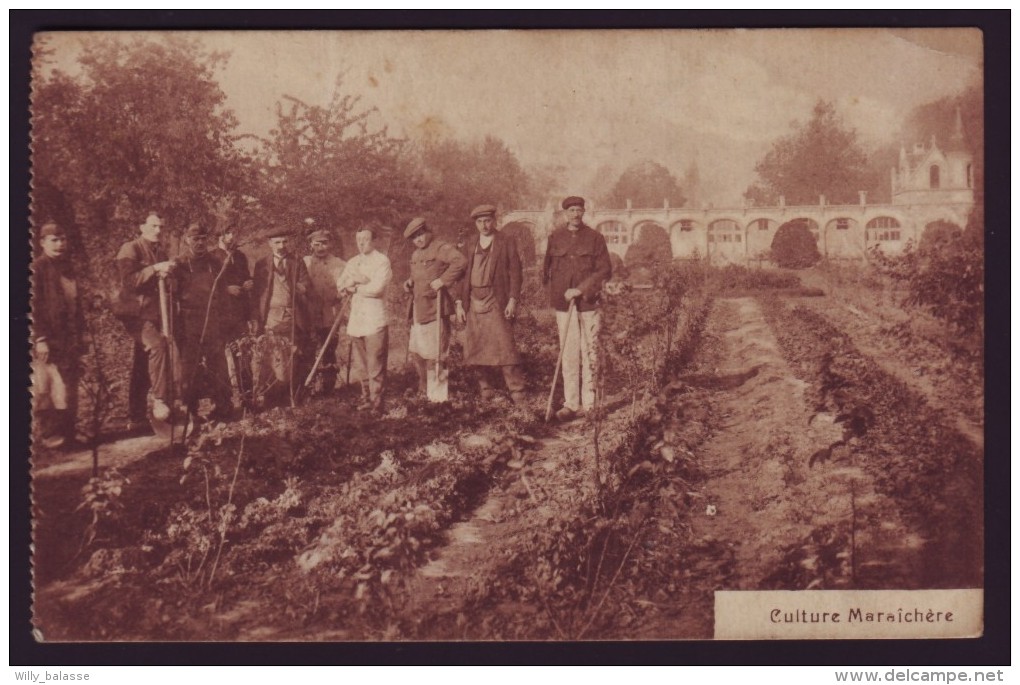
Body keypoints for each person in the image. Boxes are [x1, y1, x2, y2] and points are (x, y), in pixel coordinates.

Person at [542, 196, 613, 421]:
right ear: (565, 214)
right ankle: (571, 404)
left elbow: (604, 271)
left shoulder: (595, 238)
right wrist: (556, 295)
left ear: (583, 212)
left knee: (590, 351)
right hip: (565, 306)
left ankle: (590, 405)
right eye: (570, 210)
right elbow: (546, 270)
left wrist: (581, 290)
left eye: (578, 210)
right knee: (568, 353)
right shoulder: (555, 238)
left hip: (589, 303)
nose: (575, 214)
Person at [455, 204, 526, 404]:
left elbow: (516, 273)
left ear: (493, 221)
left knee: (505, 347)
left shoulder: (506, 241)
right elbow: (461, 276)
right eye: (479, 222)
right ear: (475, 223)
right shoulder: (470, 243)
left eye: (487, 221)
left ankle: (517, 393)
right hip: (474, 302)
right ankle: (486, 390)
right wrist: (459, 302)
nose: (484, 225)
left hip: (497, 300)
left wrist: (512, 299)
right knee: (475, 348)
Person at [114, 211, 175, 428]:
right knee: (158, 346)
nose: (158, 230)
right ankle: (161, 401)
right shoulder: (130, 248)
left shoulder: (160, 251)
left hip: (155, 313)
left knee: (143, 362)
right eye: (153, 226)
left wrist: (168, 274)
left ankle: (136, 416)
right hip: (135, 314)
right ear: (141, 227)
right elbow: (129, 281)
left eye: (161, 226)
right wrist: (154, 269)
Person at [32, 221, 84, 448]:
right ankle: (51, 436)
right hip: (47, 339)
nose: (60, 244)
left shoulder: (67, 268)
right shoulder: (36, 269)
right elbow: (31, 306)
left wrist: (83, 336)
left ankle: (69, 434)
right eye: (54, 240)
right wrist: (40, 338)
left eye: (62, 239)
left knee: (69, 385)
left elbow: (75, 303)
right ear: (43, 243)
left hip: (68, 337)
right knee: (48, 386)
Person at [403, 217, 466, 401]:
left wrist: (444, 280)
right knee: (418, 354)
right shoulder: (415, 255)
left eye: (421, 234)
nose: (419, 239)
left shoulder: (440, 247)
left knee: (436, 355)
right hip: (418, 311)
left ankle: (438, 397)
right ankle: (424, 393)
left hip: (435, 309)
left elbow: (460, 261)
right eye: (415, 237)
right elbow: (418, 277)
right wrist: (409, 283)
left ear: (427, 231)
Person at [174, 223, 232, 420]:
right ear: (186, 240)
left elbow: (223, 295)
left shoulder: (215, 263)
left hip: (213, 319)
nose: (199, 243)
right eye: (195, 239)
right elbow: (172, 297)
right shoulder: (179, 264)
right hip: (189, 322)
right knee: (190, 366)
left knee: (218, 363)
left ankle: (223, 406)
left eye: (202, 239)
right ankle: (190, 411)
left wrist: (224, 322)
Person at [251, 226, 312, 404]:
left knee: (293, 353)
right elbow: (257, 294)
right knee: (272, 355)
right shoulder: (262, 264)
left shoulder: (296, 261)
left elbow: (306, 284)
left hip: (292, 315)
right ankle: (272, 398)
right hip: (270, 316)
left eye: (285, 241)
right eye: (277, 242)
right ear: (270, 244)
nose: (281, 245)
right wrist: (256, 317)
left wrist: (300, 287)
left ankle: (294, 396)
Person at [337, 225, 392, 412]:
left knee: (375, 363)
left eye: (366, 240)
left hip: (375, 319)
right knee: (361, 365)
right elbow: (341, 285)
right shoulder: (352, 262)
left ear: (374, 241)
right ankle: (366, 397)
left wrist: (356, 284)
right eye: (358, 240)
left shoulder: (382, 261)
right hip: (357, 319)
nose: (361, 243)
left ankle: (378, 403)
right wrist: (359, 282)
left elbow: (377, 289)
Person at [303, 229, 346, 394]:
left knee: (329, 349)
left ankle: (328, 388)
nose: (321, 247)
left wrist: (341, 294)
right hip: (310, 314)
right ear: (311, 245)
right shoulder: (305, 263)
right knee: (308, 349)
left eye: (325, 243)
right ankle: (309, 387)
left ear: (331, 244)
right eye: (317, 244)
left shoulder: (340, 264)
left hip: (330, 314)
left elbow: (345, 287)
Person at [211, 224, 254, 346]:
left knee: (243, 347)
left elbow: (246, 276)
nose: (232, 236)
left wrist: (249, 282)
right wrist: (226, 290)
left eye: (234, 233)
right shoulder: (212, 257)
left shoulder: (240, 256)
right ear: (220, 235)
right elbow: (207, 285)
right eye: (228, 233)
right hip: (221, 311)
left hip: (240, 310)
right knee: (225, 347)